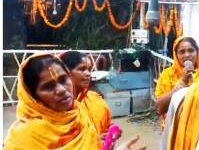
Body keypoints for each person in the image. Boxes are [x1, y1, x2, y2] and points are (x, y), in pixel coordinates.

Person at [4, 53, 145, 150]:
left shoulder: (79, 116)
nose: (61, 90)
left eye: (63, 80)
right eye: (48, 87)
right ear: (33, 98)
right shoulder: (21, 139)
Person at [155, 36, 199, 130]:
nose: (187, 55)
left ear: (197, 52)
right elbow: (159, 108)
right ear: (176, 55)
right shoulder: (167, 74)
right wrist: (182, 82)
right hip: (174, 129)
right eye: (182, 52)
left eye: (191, 50)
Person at [59, 51, 111, 135]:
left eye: (89, 69)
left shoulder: (95, 99)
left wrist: (111, 131)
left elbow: (106, 124)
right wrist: (93, 140)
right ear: (65, 72)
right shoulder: (58, 107)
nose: (88, 74)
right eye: (82, 69)